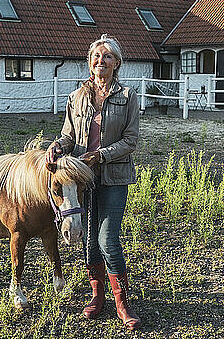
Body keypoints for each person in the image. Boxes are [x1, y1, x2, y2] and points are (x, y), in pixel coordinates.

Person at [46, 34, 141, 330]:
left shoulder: (128, 97)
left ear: (117, 63)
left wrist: (101, 155)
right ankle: (97, 295)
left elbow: (131, 140)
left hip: (113, 177)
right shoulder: (76, 97)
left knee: (107, 240)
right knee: (89, 242)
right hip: (81, 181)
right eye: (96, 57)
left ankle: (122, 303)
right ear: (90, 63)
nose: (101, 61)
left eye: (107, 56)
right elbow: (68, 136)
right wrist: (57, 147)